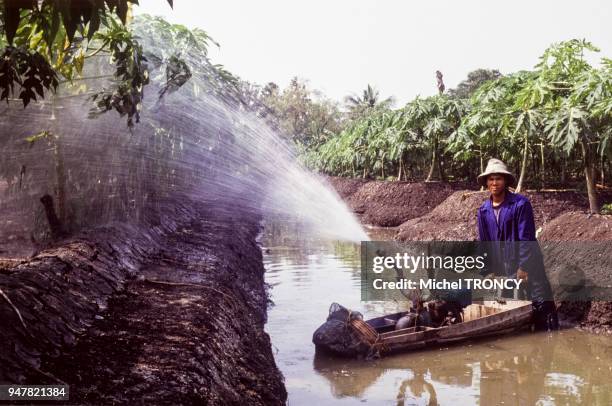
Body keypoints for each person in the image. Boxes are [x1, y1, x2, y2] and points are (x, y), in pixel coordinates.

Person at [476, 158, 558, 331]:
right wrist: (487, 270)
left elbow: (526, 238)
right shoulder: (483, 211)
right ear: (486, 182)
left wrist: (524, 266)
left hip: (528, 264)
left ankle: (549, 340)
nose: (494, 183)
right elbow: (484, 243)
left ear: (505, 181)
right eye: (491, 179)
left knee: (540, 304)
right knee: (513, 307)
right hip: (504, 265)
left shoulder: (520, 204)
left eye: (498, 178)